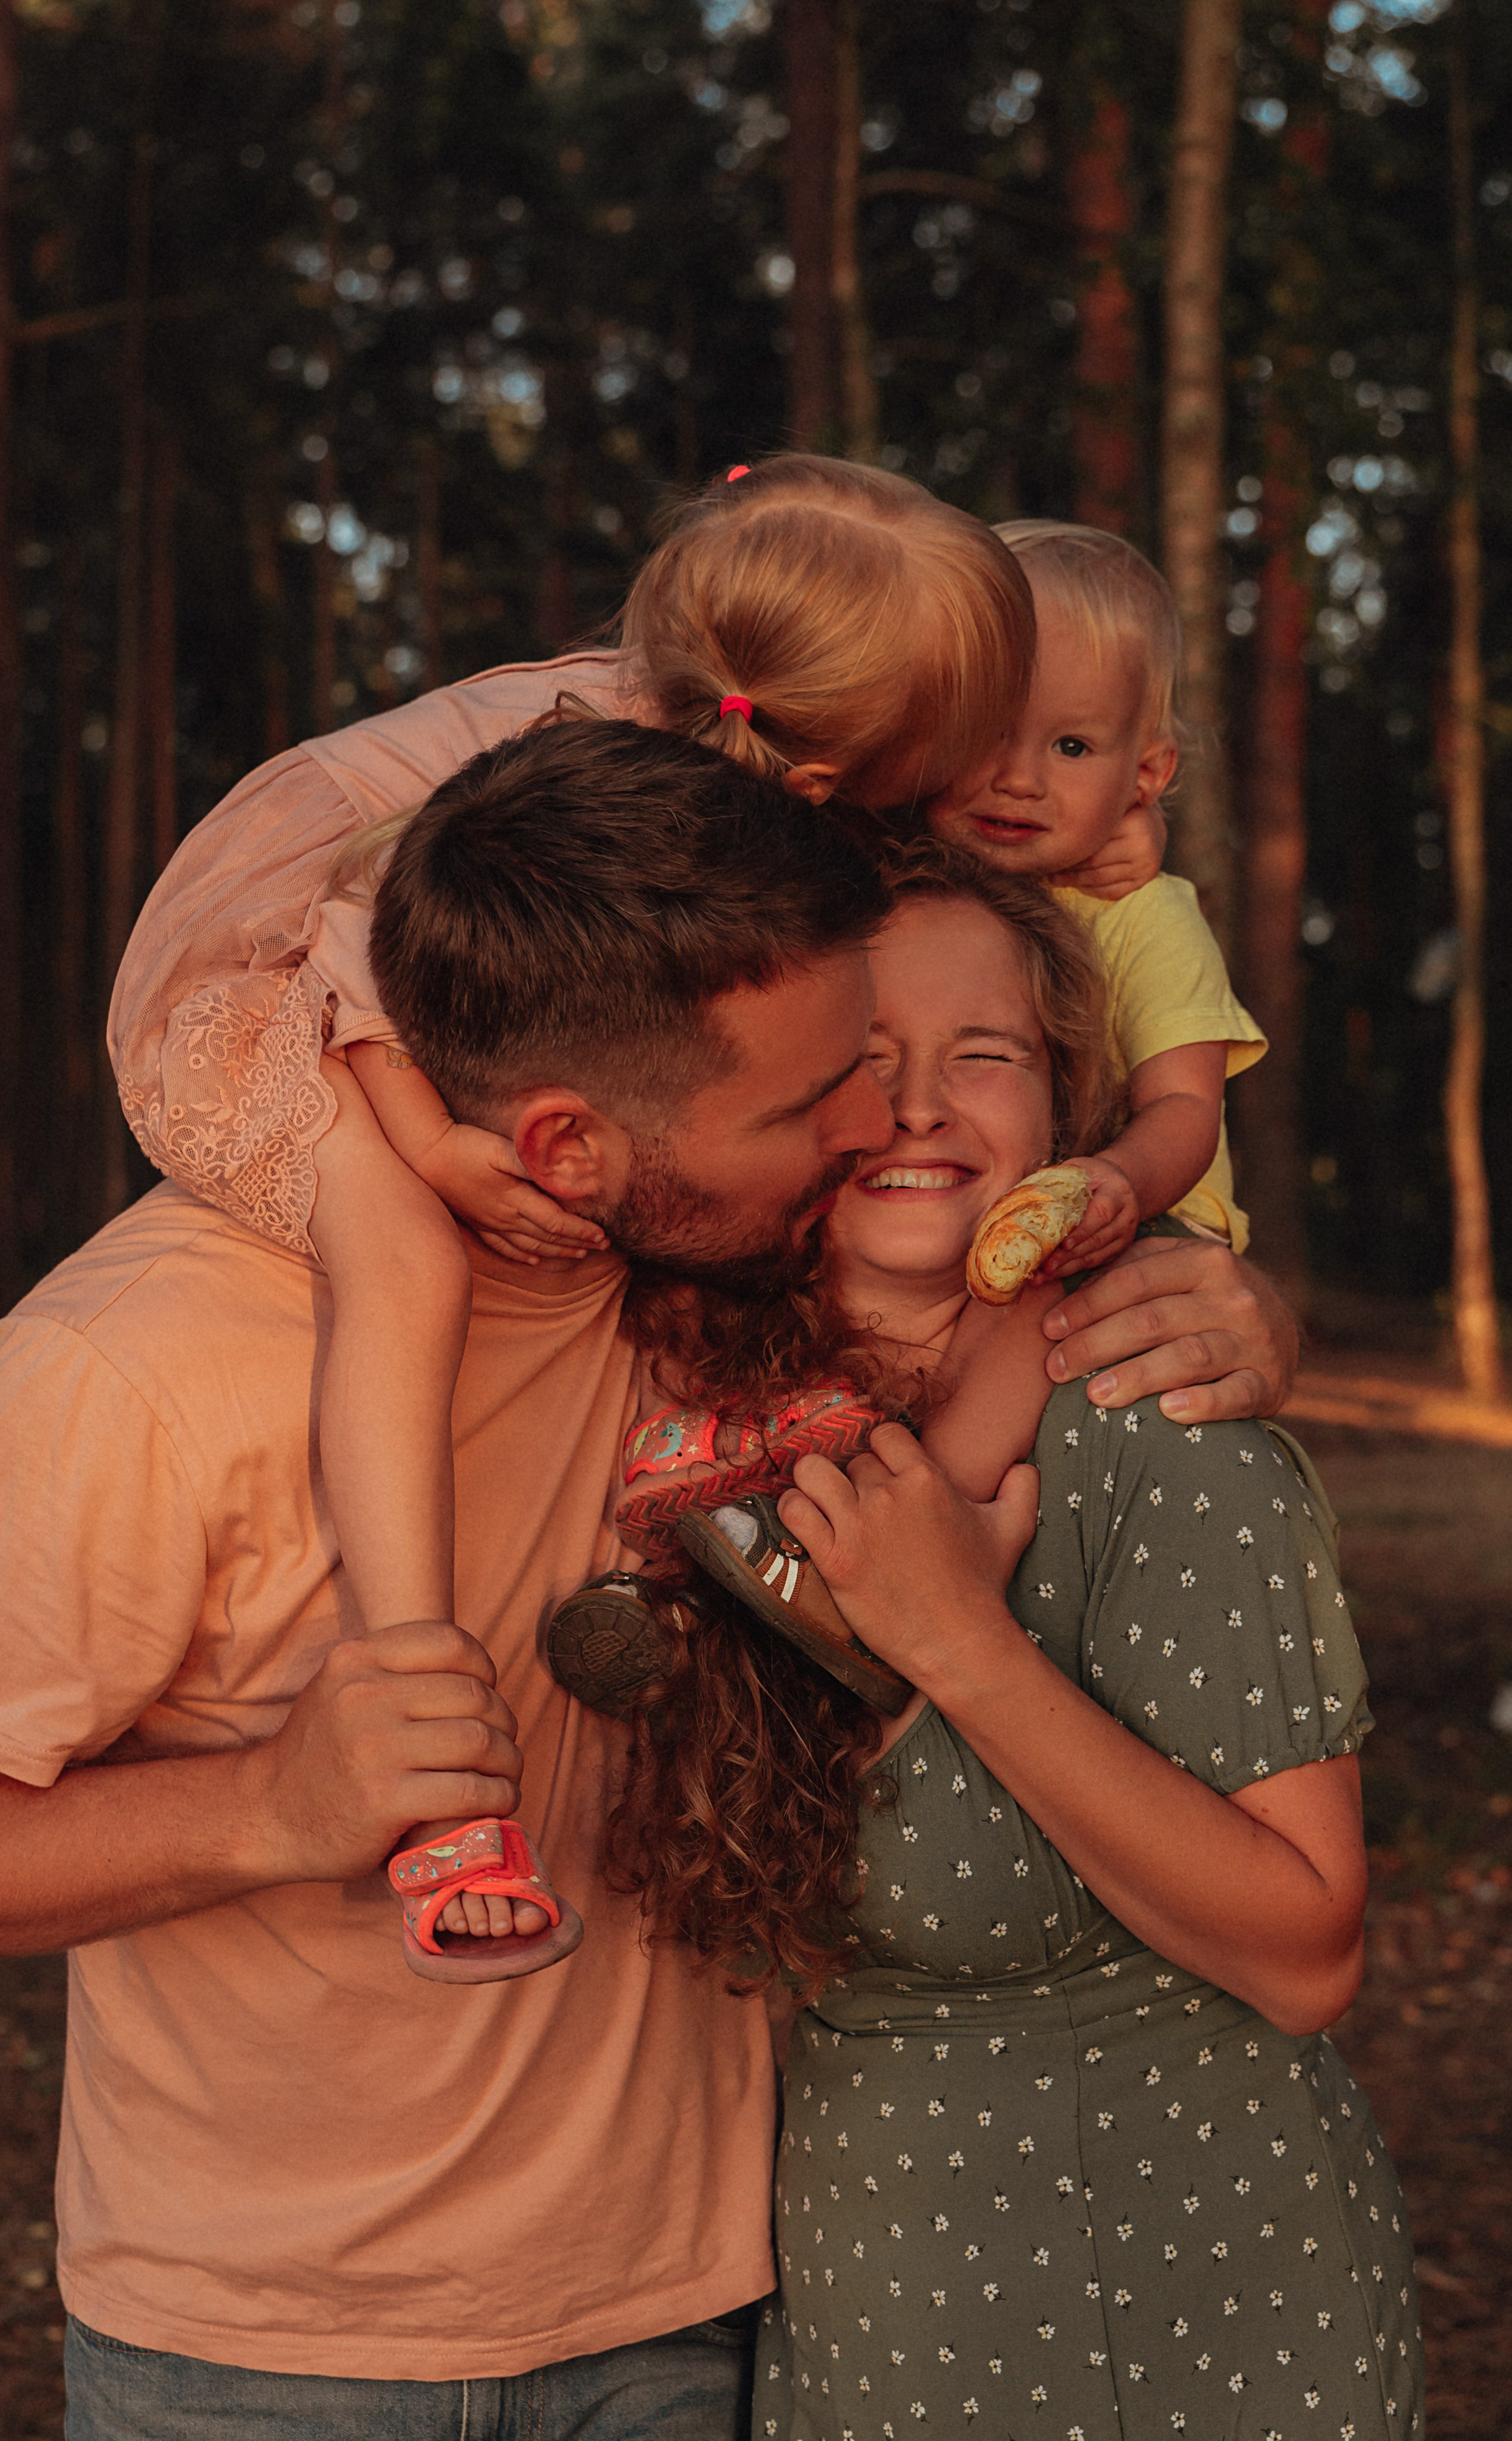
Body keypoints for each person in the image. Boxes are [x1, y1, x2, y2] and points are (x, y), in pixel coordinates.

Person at [106, 466, 1286, 1954]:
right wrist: (416, 1122)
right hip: (263, 980)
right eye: (957, 755)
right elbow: (352, 918)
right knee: (400, 1253)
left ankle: (830, 1519)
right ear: (831, 763)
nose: (980, 789)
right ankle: (418, 1728)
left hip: (413, 980)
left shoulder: (756, 715)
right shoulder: (593, 782)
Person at [601, 839, 1420, 2440]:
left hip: (1184, 2305)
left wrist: (958, 1644)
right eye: (857, 1060)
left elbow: (1305, 1946)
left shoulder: (1156, 1417)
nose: (912, 1108)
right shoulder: (685, 1408)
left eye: (981, 1055)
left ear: (1067, 1113)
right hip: (862, 2300)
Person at [943, 517, 1267, 1263]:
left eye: (1071, 747)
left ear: (1146, 777)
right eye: (987, 729)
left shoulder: (1142, 914)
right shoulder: (901, 877)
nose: (1019, 779)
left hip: (1143, 1227)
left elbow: (1185, 1103)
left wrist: (1121, 1183)